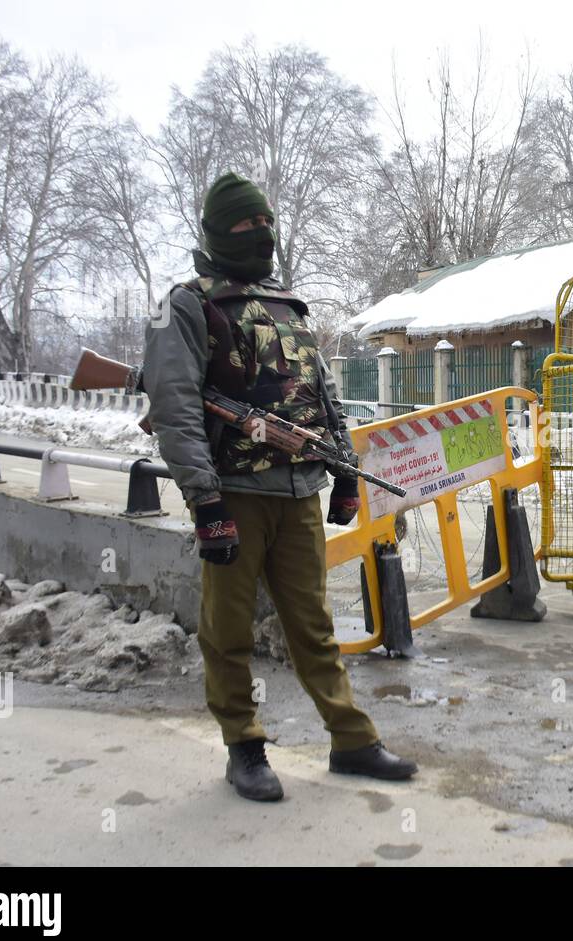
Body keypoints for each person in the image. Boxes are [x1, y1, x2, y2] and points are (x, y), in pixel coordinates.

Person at [142, 172, 416, 802]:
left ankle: (352, 741)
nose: (258, 235)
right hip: (233, 491)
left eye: (264, 224)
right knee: (228, 629)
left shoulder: (287, 307)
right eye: (243, 226)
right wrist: (205, 502)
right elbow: (178, 411)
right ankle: (244, 747)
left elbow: (323, 397)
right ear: (214, 231)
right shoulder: (185, 305)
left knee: (314, 625)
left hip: (298, 493)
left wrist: (344, 469)